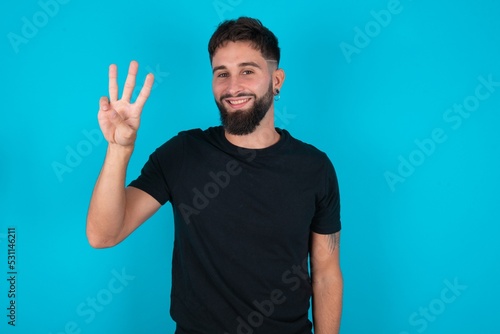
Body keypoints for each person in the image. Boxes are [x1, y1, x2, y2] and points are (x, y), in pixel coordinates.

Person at [87, 17, 342, 334]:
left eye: (247, 71)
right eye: (222, 74)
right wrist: (118, 149)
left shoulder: (314, 167)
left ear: (276, 80)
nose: (233, 87)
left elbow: (326, 271)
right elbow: (103, 234)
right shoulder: (183, 153)